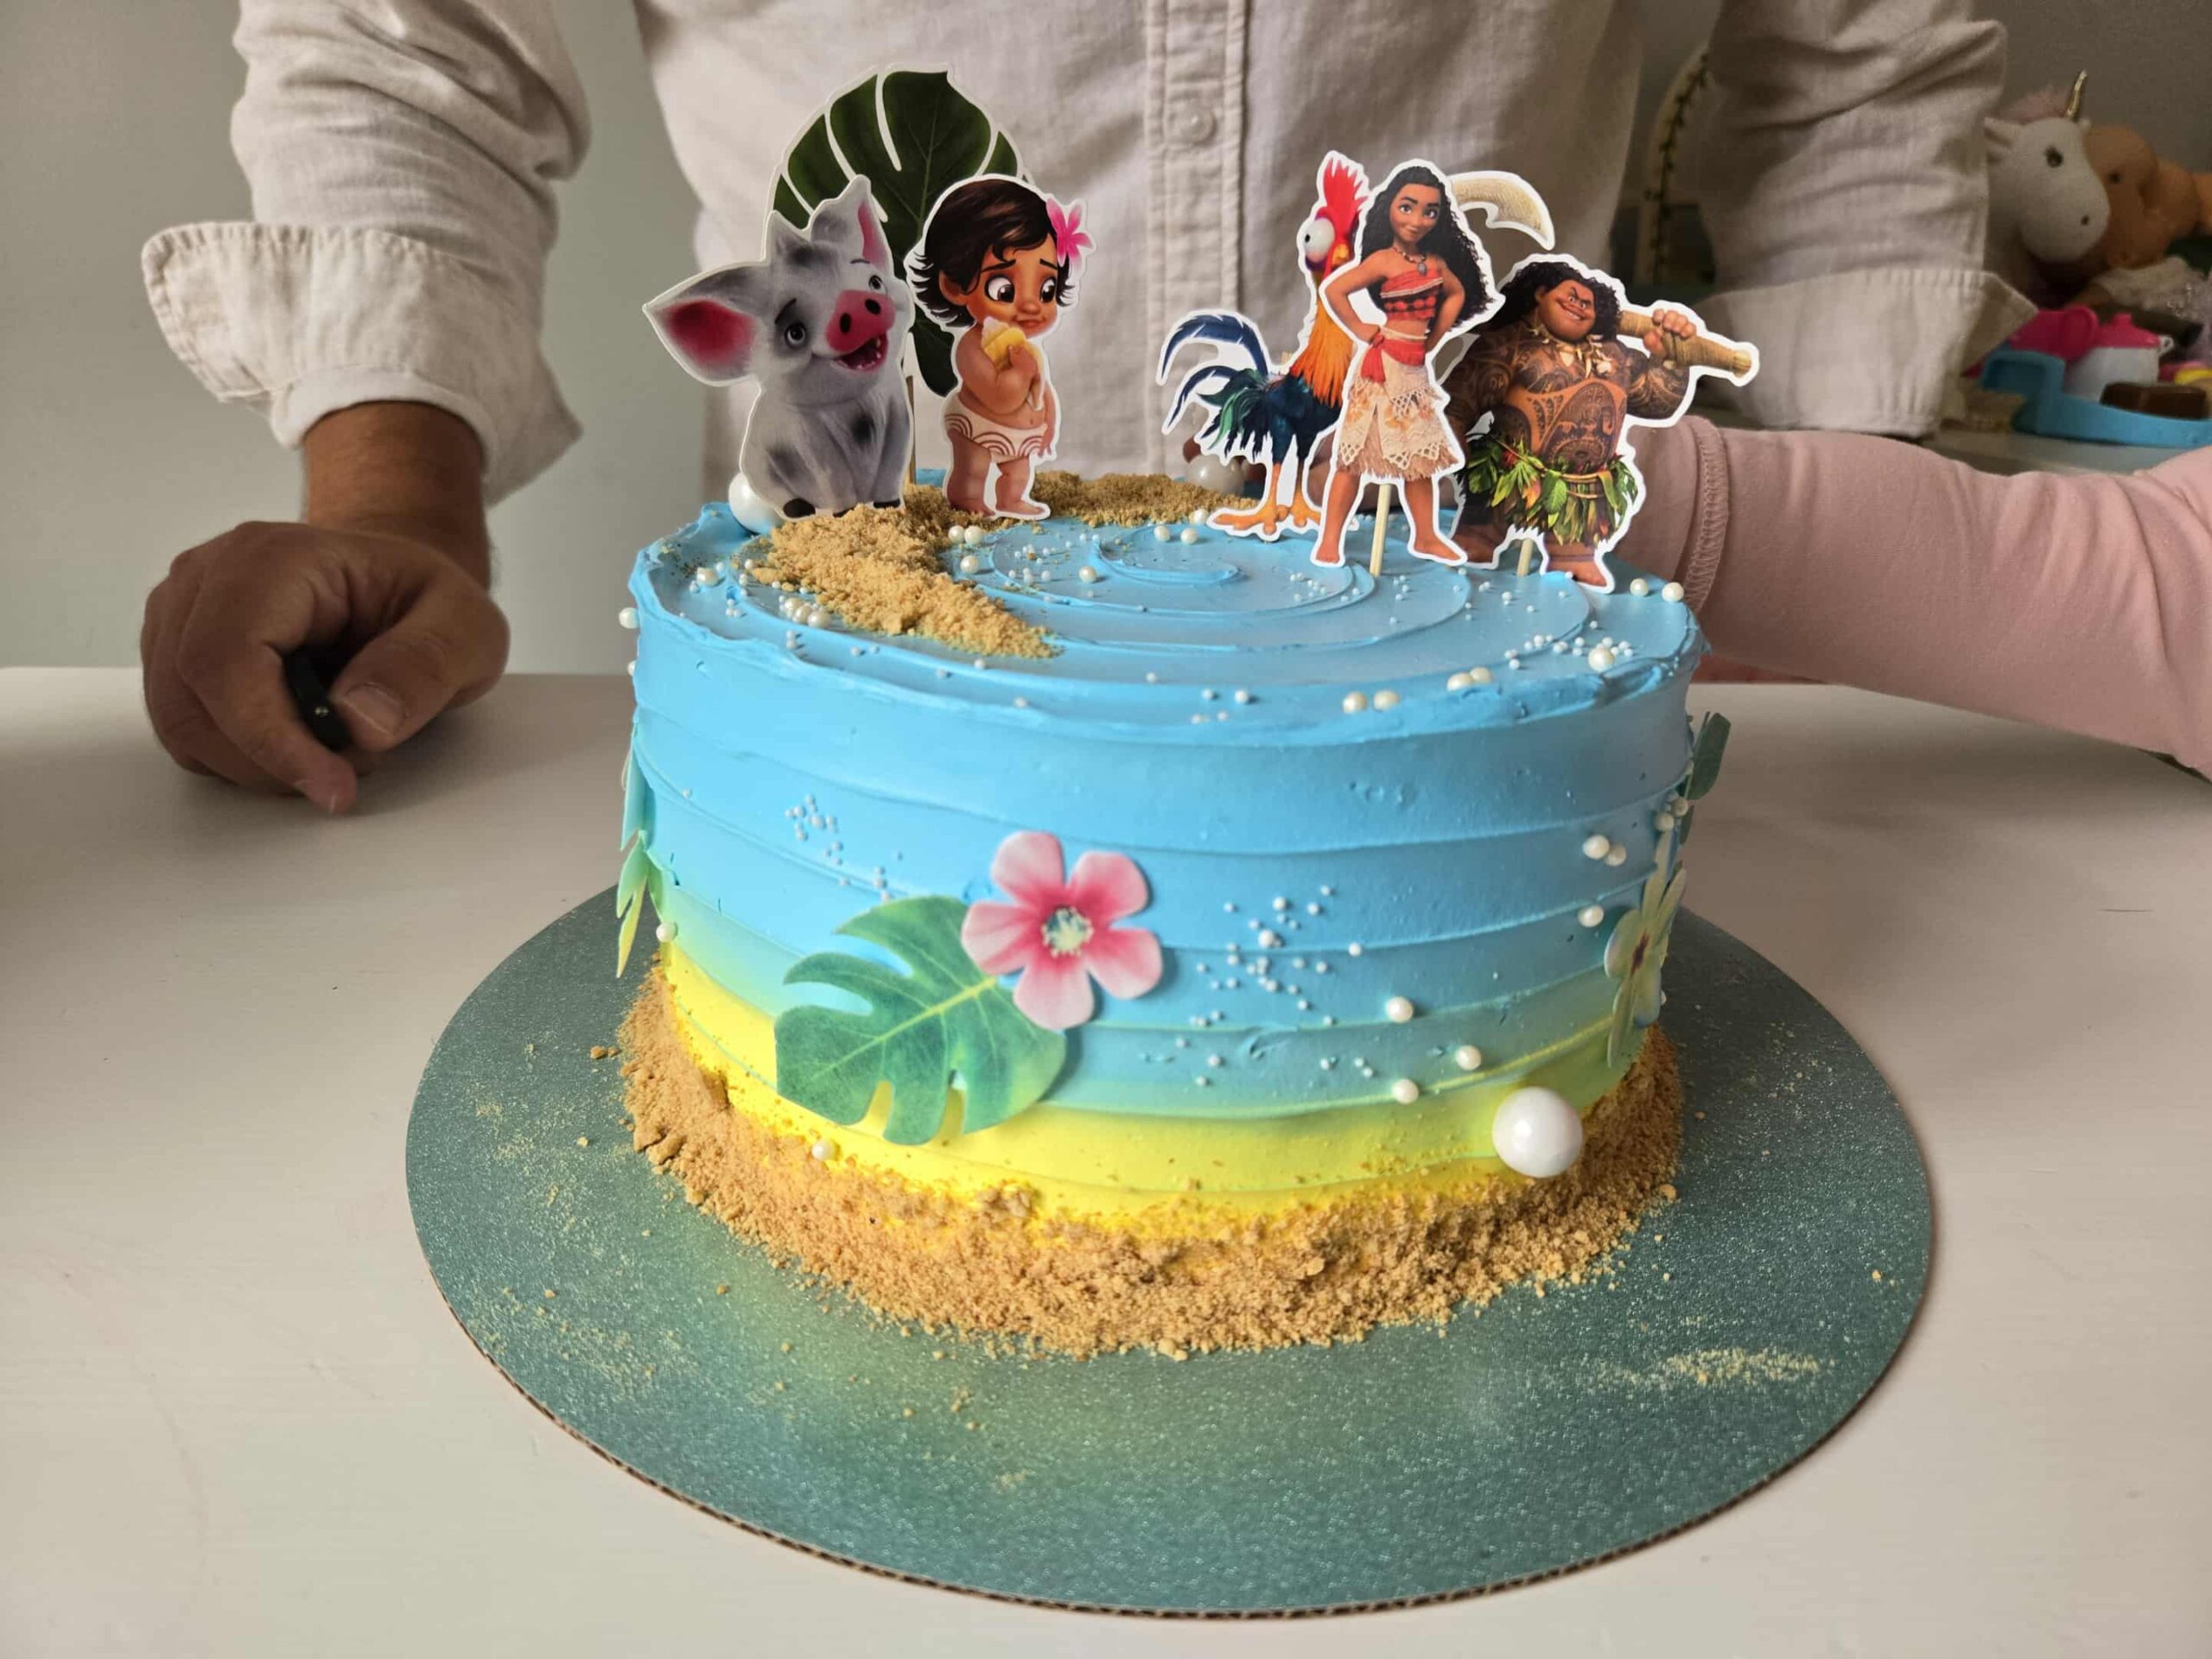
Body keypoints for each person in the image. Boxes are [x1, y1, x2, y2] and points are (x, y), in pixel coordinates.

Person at [139, 3, 2092, 808]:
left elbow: (1855, 61)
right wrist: (392, 503)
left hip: (1502, 686)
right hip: (847, 689)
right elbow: (397, 40)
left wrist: (1851, 576)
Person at [1308, 162, 1478, 569]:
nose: (1417, 220)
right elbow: (1335, 289)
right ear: (1389, 209)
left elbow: (1456, 294)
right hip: (1381, 368)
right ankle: (1330, 538)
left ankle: (1426, 535)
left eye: (1429, 211)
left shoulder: (1435, 264)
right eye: (1408, 207)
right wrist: (1360, 328)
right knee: (1351, 459)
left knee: (1419, 462)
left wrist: (1434, 338)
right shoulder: (1383, 261)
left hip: (1415, 370)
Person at [909, 177, 1077, 520]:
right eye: (1004, 289)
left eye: (1046, 289)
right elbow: (1001, 397)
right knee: (974, 468)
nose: (1031, 305)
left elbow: (1040, 388)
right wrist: (1022, 371)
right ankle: (966, 497)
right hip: (977, 426)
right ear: (955, 286)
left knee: (1018, 472)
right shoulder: (972, 347)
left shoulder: (1026, 349)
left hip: (1020, 435)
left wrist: (1048, 421)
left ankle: (1011, 499)